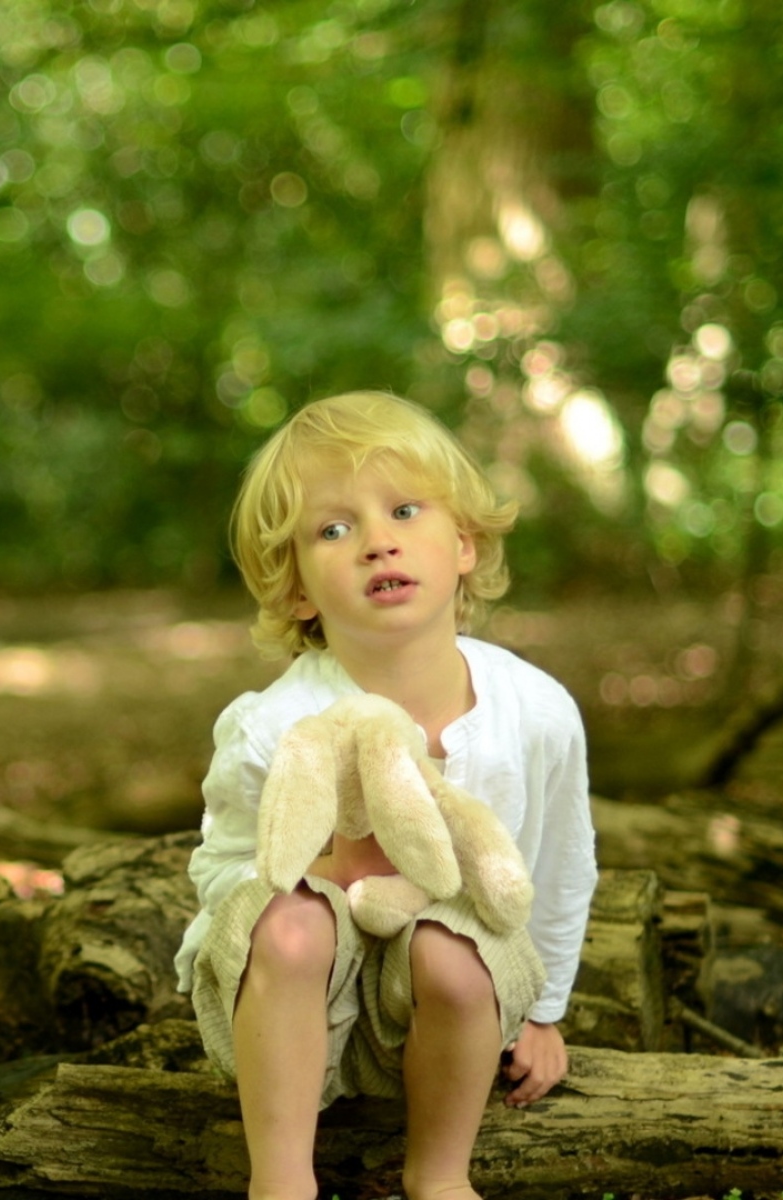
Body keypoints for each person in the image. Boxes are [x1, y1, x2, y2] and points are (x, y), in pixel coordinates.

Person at [174, 391, 597, 1200]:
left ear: (464, 544)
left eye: (404, 510)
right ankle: (281, 1179)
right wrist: (330, 869)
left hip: (450, 1002)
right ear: (297, 589)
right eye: (334, 530)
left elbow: (556, 862)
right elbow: (223, 874)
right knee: (291, 924)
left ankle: (439, 1176)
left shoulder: (536, 712)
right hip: (300, 1006)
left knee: (452, 948)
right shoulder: (274, 727)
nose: (377, 543)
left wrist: (544, 1011)